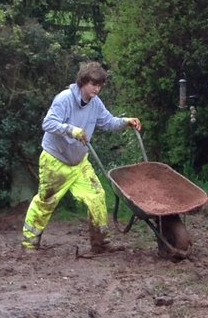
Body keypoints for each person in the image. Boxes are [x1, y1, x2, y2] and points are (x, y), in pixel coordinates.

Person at [22, 61, 142, 254]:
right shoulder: (64, 99)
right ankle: (30, 242)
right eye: (93, 84)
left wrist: (126, 122)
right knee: (46, 201)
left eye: (100, 85)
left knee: (97, 196)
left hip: (79, 163)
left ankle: (100, 243)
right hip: (55, 160)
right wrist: (72, 130)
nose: (97, 89)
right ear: (83, 82)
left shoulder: (95, 103)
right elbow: (48, 123)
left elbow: (108, 122)